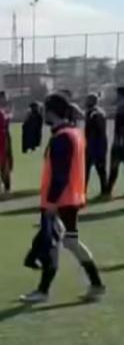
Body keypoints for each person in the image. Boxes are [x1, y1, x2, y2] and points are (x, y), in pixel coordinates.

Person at [19, 94, 106, 304]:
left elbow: (60, 174)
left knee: (53, 243)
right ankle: (96, 284)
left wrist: (51, 203)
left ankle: (43, 291)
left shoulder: (62, 137)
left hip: (60, 199)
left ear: (50, 112)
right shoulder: (74, 133)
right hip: (71, 198)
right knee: (70, 241)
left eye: (45, 111)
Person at [83, 93, 109, 197]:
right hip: (98, 144)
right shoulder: (97, 112)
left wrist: (90, 146)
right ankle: (104, 191)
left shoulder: (94, 113)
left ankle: (82, 191)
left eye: (87, 100)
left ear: (91, 101)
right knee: (100, 170)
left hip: (94, 145)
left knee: (88, 169)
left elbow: (96, 131)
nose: (85, 102)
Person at [107, 87, 124, 195]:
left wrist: (119, 141)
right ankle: (108, 190)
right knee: (114, 168)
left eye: (118, 95)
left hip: (119, 144)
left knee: (114, 167)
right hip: (118, 142)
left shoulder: (121, 110)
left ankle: (108, 190)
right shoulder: (119, 109)